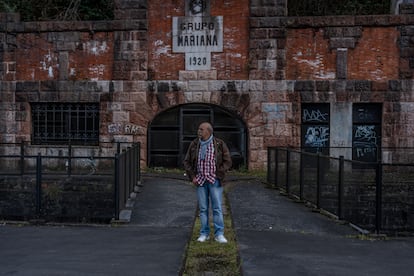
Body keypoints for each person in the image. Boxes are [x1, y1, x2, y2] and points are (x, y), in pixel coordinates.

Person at [183, 122, 232, 243]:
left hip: (215, 181)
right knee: (203, 209)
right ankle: (204, 234)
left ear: (208, 131)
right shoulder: (195, 144)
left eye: (201, 129)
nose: (198, 131)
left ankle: (219, 234)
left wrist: (218, 175)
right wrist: (193, 177)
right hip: (200, 180)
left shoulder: (219, 144)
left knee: (217, 208)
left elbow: (227, 161)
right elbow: (187, 162)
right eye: (199, 129)